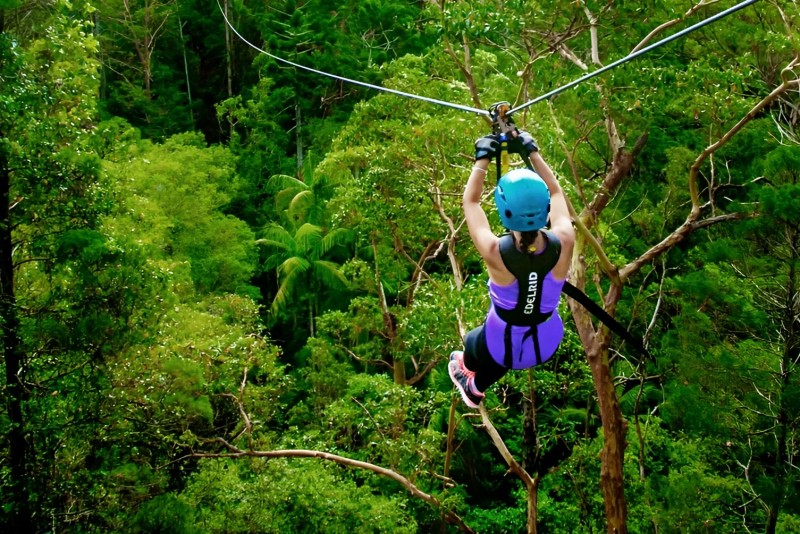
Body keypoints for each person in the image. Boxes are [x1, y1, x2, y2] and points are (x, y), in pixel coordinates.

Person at [448, 130, 575, 408]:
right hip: (545, 339)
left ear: (505, 211)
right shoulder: (564, 240)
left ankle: (467, 376)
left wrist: (482, 158)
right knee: (508, 350)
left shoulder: (496, 252)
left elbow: (471, 202)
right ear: (544, 210)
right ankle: (476, 387)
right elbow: (556, 192)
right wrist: (532, 151)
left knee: (473, 344)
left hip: (501, 340)